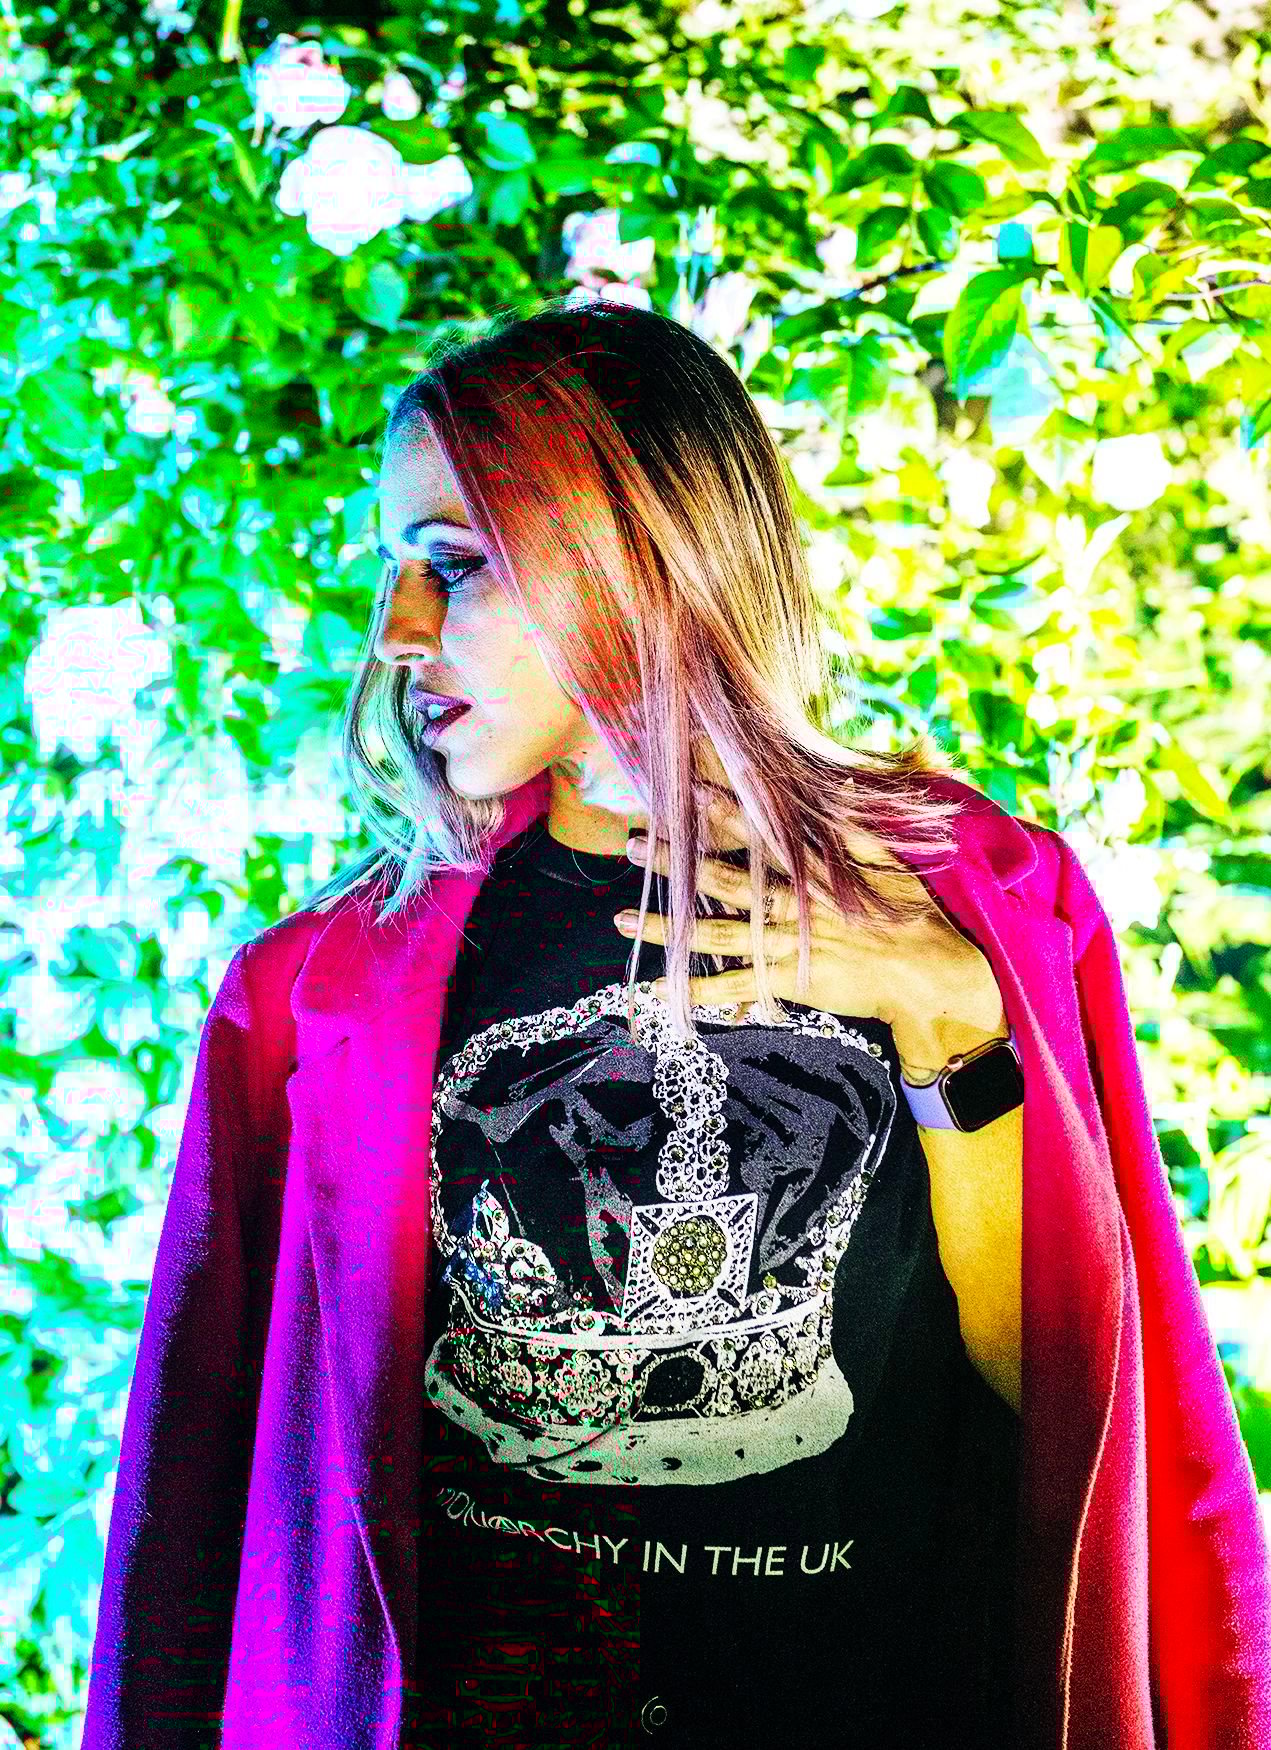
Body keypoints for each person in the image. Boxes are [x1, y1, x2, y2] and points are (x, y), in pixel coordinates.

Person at [81, 297, 1270, 1750]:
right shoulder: (323, 996)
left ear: (637, 549)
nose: (396, 635)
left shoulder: (983, 902)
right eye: (393, 570)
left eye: (453, 564)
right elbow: (202, 1507)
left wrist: (946, 1017)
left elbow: (1078, 1415)